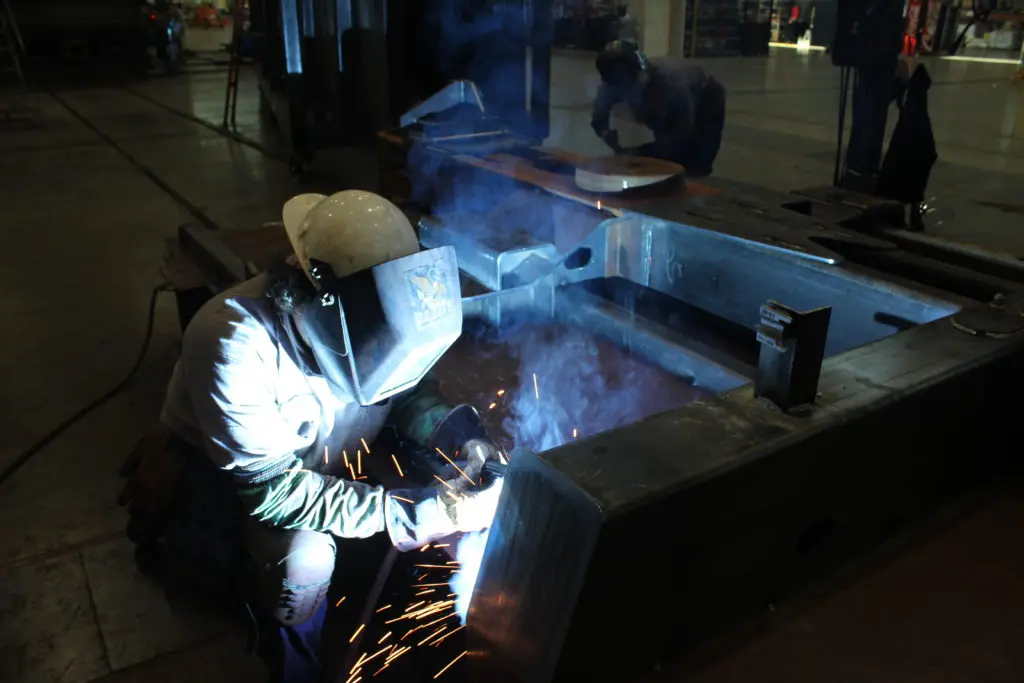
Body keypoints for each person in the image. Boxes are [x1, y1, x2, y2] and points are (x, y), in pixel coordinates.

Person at [118, 190, 503, 683]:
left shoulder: (378, 313)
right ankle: (293, 659)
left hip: (322, 456)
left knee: (406, 485)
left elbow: (406, 392)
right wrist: (414, 515)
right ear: (315, 299)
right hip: (227, 483)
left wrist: (454, 433)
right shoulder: (233, 342)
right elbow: (273, 492)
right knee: (304, 559)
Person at [590, 40, 726, 177]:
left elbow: (681, 132)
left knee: (695, 162)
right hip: (669, 102)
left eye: (631, 86)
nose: (628, 95)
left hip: (707, 99)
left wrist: (639, 153)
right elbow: (599, 114)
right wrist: (605, 132)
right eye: (621, 88)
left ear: (642, 75)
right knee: (664, 159)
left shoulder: (672, 84)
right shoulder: (611, 85)